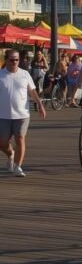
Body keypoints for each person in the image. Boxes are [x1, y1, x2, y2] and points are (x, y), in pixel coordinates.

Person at [0, 49, 47, 177]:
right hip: (3, 115)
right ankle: (11, 154)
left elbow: (32, 92)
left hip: (22, 114)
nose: (15, 62)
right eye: (12, 59)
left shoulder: (25, 74)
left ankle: (17, 167)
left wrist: (40, 105)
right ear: (6, 60)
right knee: (2, 143)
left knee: (20, 138)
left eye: (17, 59)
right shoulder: (1, 75)